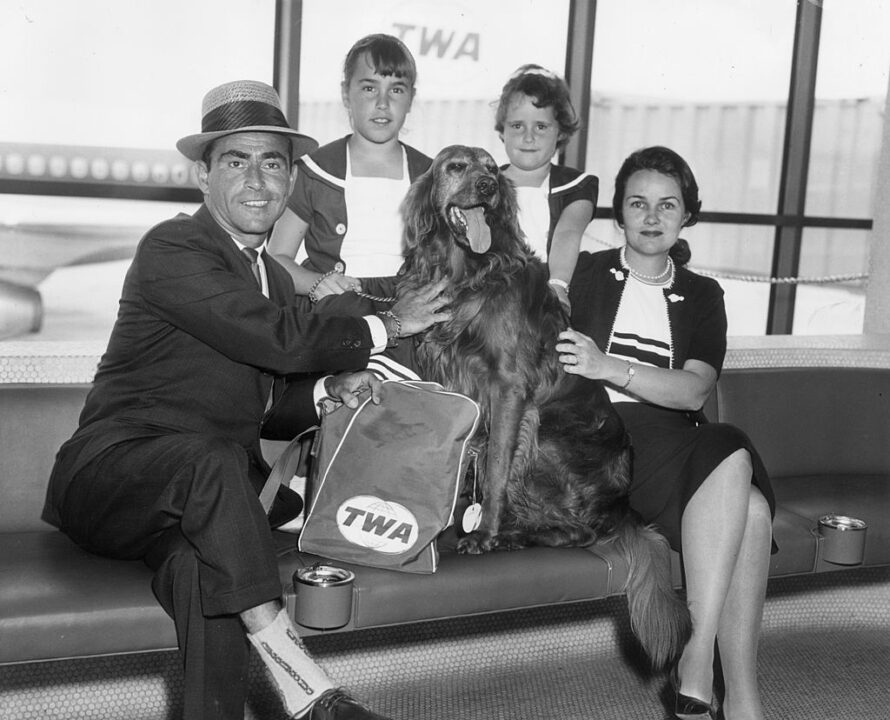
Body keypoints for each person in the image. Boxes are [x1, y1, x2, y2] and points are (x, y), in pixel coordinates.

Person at [42, 80, 449, 720]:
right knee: (213, 461)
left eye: (273, 163)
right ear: (203, 176)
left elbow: (265, 400)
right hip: (112, 479)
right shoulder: (174, 247)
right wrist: (388, 326)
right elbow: (276, 341)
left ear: (290, 181)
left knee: (203, 576)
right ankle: (308, 692)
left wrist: (327, 390)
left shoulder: (273, 275)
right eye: (236, 161)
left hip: (200, 505)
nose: (257, 179)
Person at [556, 146, 775, 720]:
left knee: (747, 503)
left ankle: (722, 682)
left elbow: (693, 392)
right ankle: (713, 669)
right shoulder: (581, 277)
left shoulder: (703, 296)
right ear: (620, 215)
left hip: (673, 442)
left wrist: (610, 366)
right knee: (735, 465)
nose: (652, 217)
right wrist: (602, 375)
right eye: (638, 203)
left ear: (686, 216)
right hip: (594, 442)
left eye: (667, 205)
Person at [268, 33, 431, 306]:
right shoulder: (315, 170)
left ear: (411, 99)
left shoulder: (429, 174)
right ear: (346, 94)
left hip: (409, 310)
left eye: (396, 89)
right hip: (335, 311)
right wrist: (317, 283)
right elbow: (277, 259)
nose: (383, 102)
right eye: (369, 88)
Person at [494, 63, 598, 311]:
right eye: (517, 126)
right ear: (502, 131)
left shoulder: (575, 186)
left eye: (541, 127)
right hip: (493, 292)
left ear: (560, 132)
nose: (528, 137)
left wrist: (558, 286)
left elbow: (567, 234)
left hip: (545, 292)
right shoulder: (488, 182)